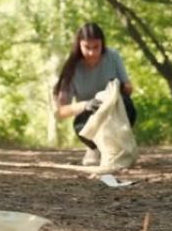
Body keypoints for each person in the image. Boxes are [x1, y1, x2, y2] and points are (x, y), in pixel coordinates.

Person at [54, 23, 137, 166]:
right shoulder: (72, 67)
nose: (92, 53)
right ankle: (94, 148)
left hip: (113, 113)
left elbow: (129, 88)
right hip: (89, 116)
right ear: (79, 45)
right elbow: (60, 111)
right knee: (80, 123)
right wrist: (86, 104)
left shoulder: (113, 56)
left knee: (128, 104)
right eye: (87, 47)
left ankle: (118, 148)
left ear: (102, 45)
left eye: (96, 47)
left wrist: (119, 87)